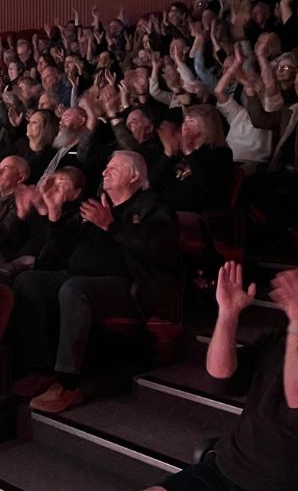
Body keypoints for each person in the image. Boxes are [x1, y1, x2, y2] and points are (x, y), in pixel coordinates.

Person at [10, 151, 181, 409]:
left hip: (128, 285)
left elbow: (159, 250)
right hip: (79, 276)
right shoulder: (96, 204)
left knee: (73, 289)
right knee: (28, 282)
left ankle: (69, 383)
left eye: (113, 167)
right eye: (105, 167)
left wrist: (111, 226)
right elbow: (58, 252)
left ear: (134, 176)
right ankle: (41, 369)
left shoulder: (151, 205)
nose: (104, 172)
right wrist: (54, 213)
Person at [144, 263, 298, 491]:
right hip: (227, 467)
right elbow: (221, 379)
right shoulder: (277, 341)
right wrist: (227, 314)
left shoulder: (297, 338)